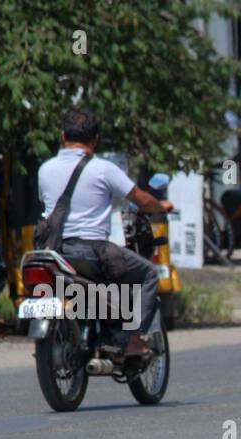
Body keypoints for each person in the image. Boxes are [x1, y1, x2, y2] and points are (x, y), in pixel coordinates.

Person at [37, 107, 174, 357]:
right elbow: (141, 199)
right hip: (92, 252)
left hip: (56, 253)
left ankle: (95, 322)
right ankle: (133, 338)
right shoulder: (103, 169)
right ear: (95, 139)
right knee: (148, 274)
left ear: (62, 136)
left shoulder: (44, 169)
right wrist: (160, 206)